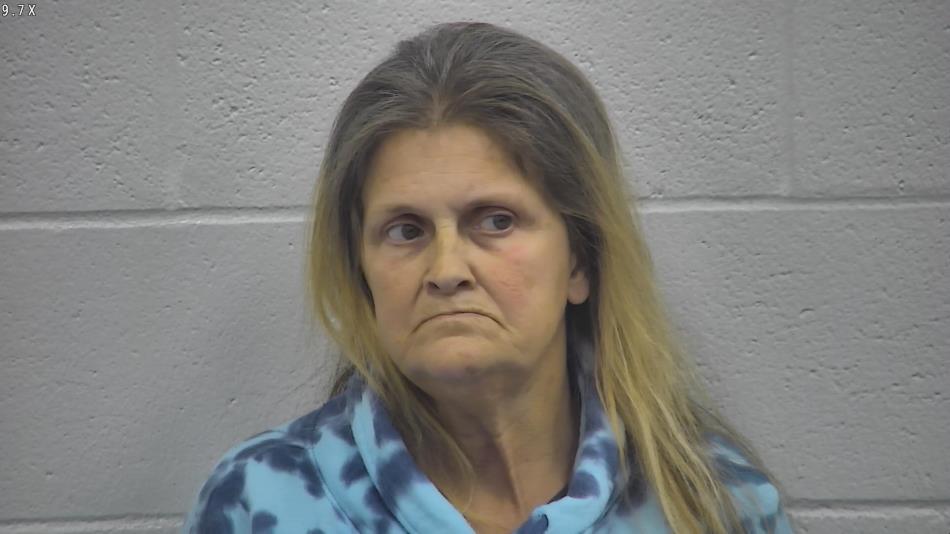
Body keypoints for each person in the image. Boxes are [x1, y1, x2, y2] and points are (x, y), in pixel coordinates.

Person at [181, 21, 794, 534]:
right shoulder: (261, 503)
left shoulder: (713, 504)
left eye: (496, 221)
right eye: (406, 230)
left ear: (580, 260)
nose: (446, 271)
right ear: (361, 271)